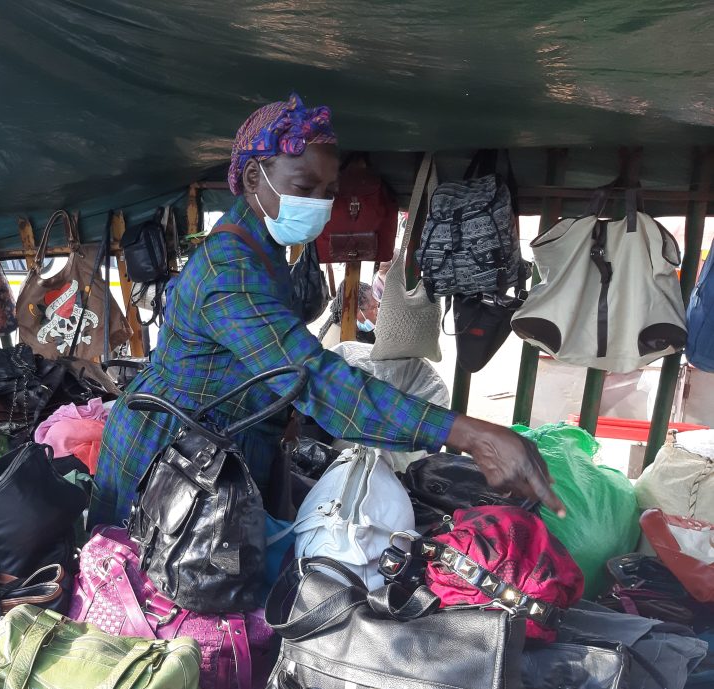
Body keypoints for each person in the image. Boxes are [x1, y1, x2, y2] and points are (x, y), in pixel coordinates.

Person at [89, 93, 564, 527]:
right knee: (146, 599)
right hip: (169, 456)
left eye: (328, 191)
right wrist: (470, 435)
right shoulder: (228, 269)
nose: (319, 204)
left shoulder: (263, 247)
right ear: (254, 177)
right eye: (304, 186)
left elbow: (276, 359)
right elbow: (309, 376)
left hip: (219, 450)